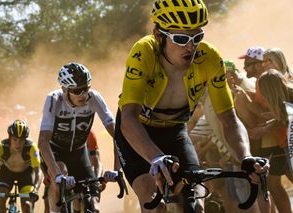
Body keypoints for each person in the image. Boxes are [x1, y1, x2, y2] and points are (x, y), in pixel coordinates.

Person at [114, 1, 269, 212]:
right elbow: (129, 118)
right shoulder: (144, 52)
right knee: (154, 201)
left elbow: (229, 119)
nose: (191, 46)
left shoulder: (210, 58)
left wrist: (245, 157)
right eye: (181, 39)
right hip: (139, 132)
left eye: (197, 37)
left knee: (196, 205)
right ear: (159, 36)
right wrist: (155, 157)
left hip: (175, 131)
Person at [38, 62, 117, 213]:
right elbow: (42, 142)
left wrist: (117, 169)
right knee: (60, 173)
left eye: (86, 88)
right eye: (76, 90)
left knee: (93, 205)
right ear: (64, 89)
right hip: (55, 153)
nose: (82, 94)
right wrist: (57, 175)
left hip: (79, 153)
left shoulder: (94, 98)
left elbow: (118, 135)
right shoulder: (54, 99)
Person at [0, 119, 42, 213]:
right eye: (15, 139)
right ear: (9, 138)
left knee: (27, 205)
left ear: (25, 140)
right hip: (6, 173)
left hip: (26, 174)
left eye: (21, 140)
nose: (18, 143)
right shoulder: (1, 146)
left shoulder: (31, 147)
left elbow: (38, 171)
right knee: (0, 201)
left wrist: (35, 190)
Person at [41, 129, 104, 213]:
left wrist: (97, 180)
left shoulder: (89, 133)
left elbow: (97, 162)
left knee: (92, 206)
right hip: (58, 166)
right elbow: (43, 156)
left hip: (80, 167)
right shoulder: (54, 131)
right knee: (50, 201)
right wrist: (45, 174)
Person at [257, 69, 293, 213]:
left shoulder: (287, 102)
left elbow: (286, 118)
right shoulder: (285, 99)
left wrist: (266, 128)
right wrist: (267, 126)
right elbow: (282, 118)